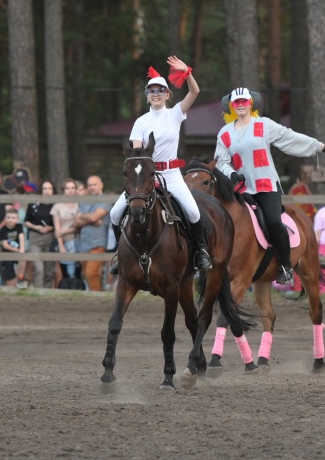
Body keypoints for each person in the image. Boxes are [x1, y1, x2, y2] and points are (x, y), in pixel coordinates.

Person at [216, 86, 325, 284]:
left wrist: (323, 147)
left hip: (266, 186)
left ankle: (285, 266)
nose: (241, 105)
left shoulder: (263, 125)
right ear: (231, 106)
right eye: (237, 102)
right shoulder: (225, 133)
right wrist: (232, 174)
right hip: (242, 190)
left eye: (244, 101)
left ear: (251, 103)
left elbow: (291, 137)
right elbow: (220, 161)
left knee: (274, 221)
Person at [107, 57, 212, 272]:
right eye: (152, 90)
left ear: (167, 94)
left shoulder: (175, 114)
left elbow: (194, 93)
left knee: (193, 211)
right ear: (147, 96)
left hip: (172, 174)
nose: (156, 93)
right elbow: (137, 152)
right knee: (115, 213)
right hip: (146, 176)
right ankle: (120, 253)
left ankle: (201, 251)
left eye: (160, 90)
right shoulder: (141, 122)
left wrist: (187, 72)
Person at [73, 175, 110, 290]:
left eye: (95, 184)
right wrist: (90, 220)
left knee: (91, 274)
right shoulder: (85, 202)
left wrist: (83, 217)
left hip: (97, 244)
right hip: (83, 244)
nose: (92, 187)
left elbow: (94, 217)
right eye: (90, 185)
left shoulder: (106, 201)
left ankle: (97, 298)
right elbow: (75, 222)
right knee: (86, 275)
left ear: (101, 185)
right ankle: (95, 297)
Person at [21, 181, 56, 288]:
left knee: (49, 270)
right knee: (39, 268)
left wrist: (51, 227)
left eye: (50, 189)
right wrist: (36, 227)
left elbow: (59, 223)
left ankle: (47, 293)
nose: (47, 191)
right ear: (41, 190)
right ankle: (38, 292)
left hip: (50, 238)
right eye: (45, 189)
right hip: (35, 238)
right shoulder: (34, 203)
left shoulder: (56, 204)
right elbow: (26, 221)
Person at [52, 179, 81, 287]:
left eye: (72, 188)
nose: (70, 190)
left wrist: (64, 230)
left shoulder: (79, 205)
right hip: (64, 242)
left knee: (78, 270)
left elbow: (78, 227)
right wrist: (61, 246)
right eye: (67, 188)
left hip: (78, 240)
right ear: (63, 190)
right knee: (67, 271)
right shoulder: (58, 206)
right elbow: (57, 230)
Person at [0, 210, 26, 288]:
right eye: (8, 217)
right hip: (8, 255)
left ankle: (20, 280)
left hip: (18, 253)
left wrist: (21, 251)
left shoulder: (19, 226)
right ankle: (10, 286)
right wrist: (18, 250)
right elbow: (5, 246)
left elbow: (21, 238)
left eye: (13, 218)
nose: (11, 219)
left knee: (23, 261)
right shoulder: (3, 230)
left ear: (17, 219)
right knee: (9, 275)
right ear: (5, 218)